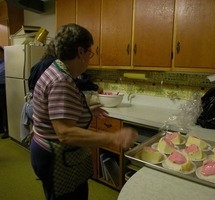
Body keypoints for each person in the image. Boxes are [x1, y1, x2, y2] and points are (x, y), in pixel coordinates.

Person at [30, 23, 138, 200]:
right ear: (80, 52)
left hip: (45, 150)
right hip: (56, 157)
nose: (90, 57)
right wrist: (113, 137)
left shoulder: (56, 69)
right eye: (90, 52)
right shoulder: (61, 81)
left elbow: (55, 112)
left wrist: (83, 110)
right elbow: (65, 133)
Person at [20, 41, 103, 145]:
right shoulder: (57, 68)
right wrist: (95, 87)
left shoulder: (38, 64)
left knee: (42, 134)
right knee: (53, 138)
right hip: (39, 106)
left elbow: (31, 83)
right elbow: (75, 82)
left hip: (32, 102)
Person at [0, 46, 9, 139]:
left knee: (4, 109)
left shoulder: (6, 63)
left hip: (4, 87)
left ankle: (7, 130)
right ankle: (2, 128)